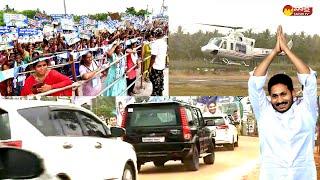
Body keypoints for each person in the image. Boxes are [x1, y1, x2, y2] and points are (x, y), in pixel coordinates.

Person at [248, 25, 318, 180]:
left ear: (293, 93)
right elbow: (254, 84)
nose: (279, 100)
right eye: (274, 96)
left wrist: (286, 50)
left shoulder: (307, 112)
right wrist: (274, 52)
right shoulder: (264, 113)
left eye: (283, 94)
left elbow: (310, 81)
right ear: (270, 97)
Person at [149, 28, 167, 96]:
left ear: (155, 35)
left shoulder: (155, 43)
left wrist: (149, 67)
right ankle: (160, 93)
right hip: (161, 66)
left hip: (156, 67)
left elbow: (153, 57)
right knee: (160, 83)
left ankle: (156, 94)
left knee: (155, 84)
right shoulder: (164, 43)